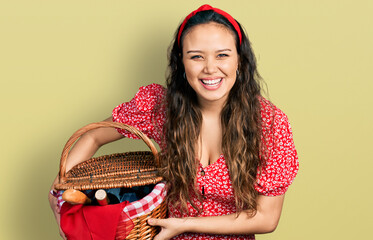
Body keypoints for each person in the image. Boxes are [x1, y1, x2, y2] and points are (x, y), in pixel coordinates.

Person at [49, 4, 299, 240]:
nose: (210, 68)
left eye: (222, 55)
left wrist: (185, 224)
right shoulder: (161, 109)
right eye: (196, 57)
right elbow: (94, 136)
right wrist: (58, 192)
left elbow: (267, 218)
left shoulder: (268, 123)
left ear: (240, 61)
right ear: (181, 64)